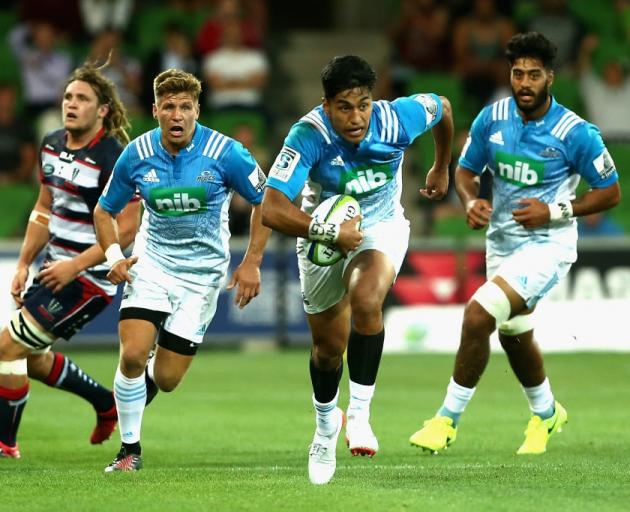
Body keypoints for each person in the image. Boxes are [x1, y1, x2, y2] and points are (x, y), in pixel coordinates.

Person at [409, 32, 621, 456]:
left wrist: (555, 211)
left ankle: (446, 421)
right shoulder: (493, 118)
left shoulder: (575, 133)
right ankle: (546, 414)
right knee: (513, 333)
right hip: (501, 241)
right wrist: (470, 200)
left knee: (477, 315)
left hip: (549, 244)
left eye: (534, 75)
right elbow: (466, 170)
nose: (524, 82)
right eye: (518, 73)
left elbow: (610, 191)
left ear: (551, 78)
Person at [261, 55, 453, 485]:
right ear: (326, 105)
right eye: (345, 106)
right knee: (327, 350)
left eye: (363, 104)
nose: (356, 116)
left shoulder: (397, 118)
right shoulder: (307, 135)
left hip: (379, 226)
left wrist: (442, 165)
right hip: (321, 237)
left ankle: (361, 415)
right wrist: (327, 231)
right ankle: (327, 425)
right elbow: (272, 209)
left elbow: (443, 106)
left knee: (367, 299)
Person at [94, 68, 270, 472]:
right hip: (151, 264)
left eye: (185, 107)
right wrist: (112, 257)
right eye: (169, 107)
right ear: (155, 110)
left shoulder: (227, 153)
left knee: (168, 379)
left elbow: (266, 201)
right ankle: (129, 451)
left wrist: (252, 262)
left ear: (197, 110)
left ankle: (140, 385)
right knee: (133, 353)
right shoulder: (136, 154)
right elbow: (104, 211)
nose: (177, 115)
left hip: (203, 275)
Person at [0, 61, 141, 459]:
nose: (71, 104)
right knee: (35, 360)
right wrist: (25, 262)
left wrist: (74, 266)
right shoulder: (50, 143)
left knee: (7, 349)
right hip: (53, 268)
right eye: (67, 97)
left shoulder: (115, 158)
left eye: (82, 98)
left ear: (102, 111)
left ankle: (5, 442)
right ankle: (104, 402)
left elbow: (126, 230)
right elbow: (45, 208)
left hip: (92, 277)